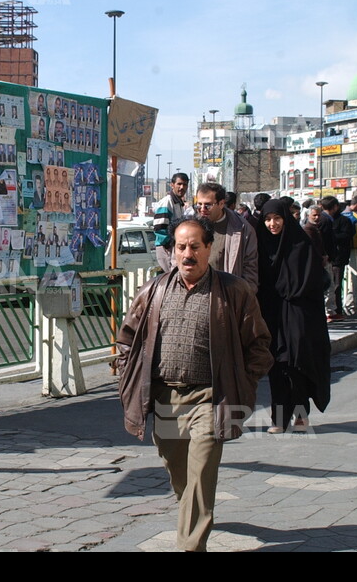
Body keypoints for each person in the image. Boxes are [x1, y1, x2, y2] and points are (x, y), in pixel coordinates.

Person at [116, 216, 272, 552]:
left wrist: (243, 383)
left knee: (201, 473)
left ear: (209, 249)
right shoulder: (153, 291)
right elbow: (127, 339)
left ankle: (190, 545)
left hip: (210, 399)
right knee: (181, 473)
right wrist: (124, 370)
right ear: (172, 250)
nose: (187, 254)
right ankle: (193, 512)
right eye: (181, 247)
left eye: (195, 247)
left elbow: (259, 345)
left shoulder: (234, 292)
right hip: (164, 397)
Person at [254, 199, 330, 433]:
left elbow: (313, 280)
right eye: (267, 219)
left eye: (277, 219)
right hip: (271, 311)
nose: (272, 224)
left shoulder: (300, 244)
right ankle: (279, 418)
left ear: (286, 219)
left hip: (298, 311)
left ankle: (300, 415)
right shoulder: (261, 246)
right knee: (276, 364)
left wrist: (292, 291)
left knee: (296, 361)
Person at [194, 182, 257, 289]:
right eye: (199, 204)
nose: (202, 209)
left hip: (227, 293)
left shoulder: (242, 229)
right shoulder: (190, 226)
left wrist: (243, 295)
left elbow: (250, 267)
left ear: (221, 203)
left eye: (208, 205)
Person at [322, 196, 353, 322]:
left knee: (336, 284)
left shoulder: (342, 220)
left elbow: (347, 235)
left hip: (338, 257)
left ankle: (336, 310)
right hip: (330, 257)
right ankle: (332, 311)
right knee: (332, 285)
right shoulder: (325, 220)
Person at [153, 173, 189, 272]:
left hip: (174, 246)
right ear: (172, 185)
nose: (182, 187)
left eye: (185, 185)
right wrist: (169, 245)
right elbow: (159, 227)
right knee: (172, 276)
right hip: (166, 248)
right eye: (179, 184)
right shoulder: (167, 202)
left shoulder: (179, 204)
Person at [342, 196, 357, 316]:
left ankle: (351, 304)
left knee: (351, 279)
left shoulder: (344, 215)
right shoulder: (354, 217)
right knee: (354, 279)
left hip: (349, 250)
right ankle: (352, 305)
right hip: (353, 251)